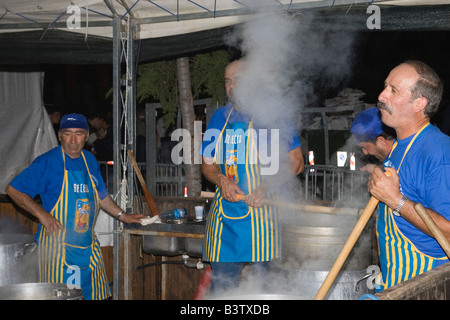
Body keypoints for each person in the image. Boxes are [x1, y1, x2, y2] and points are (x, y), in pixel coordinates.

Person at [6, 113, 144, 300]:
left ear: (86, 136)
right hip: (58, 254)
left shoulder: (90, 160)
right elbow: (14, 190)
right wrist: (44, 216)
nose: (72, 140)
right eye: (67, 133)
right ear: (60, 135)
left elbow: (101, 196)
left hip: (88, 250)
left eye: (78, 133)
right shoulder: (48, 162)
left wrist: (123, 216)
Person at [200, 60, 304, 295]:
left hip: (262, 220)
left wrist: (267, 187)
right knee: (220, 290)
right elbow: (206, 166)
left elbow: (296, 163)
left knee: (264, 289)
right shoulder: (219, 117)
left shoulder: (274, 115)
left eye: (238, 79)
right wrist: (221, 179)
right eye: (228, 81)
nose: (232, 86)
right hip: (224, 221)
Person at [368, 60, 450, 291]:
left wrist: (395, 200)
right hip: (399, 280)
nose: (382, 95)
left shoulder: (439, 152)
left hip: (429, 286)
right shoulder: (399, 145)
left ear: (419, 104)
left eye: (394, 90)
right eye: (385, 86)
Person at [350, 106, 395, 173]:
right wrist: (378, 168)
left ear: (381, 142)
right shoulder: (395, 155)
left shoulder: (408, 158)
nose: (365, 153)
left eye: (365, 147)